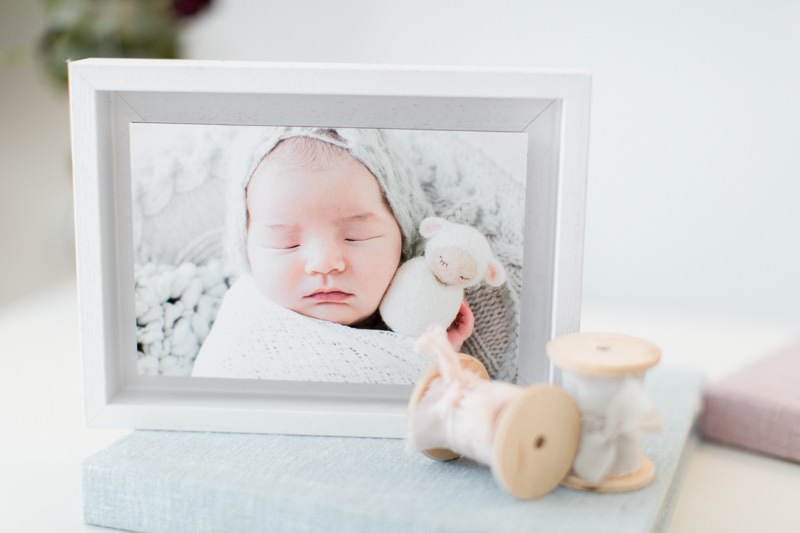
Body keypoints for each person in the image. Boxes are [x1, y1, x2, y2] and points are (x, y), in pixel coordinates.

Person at [191, 128, 473, 382]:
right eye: (287, 243)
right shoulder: (239, 333)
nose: (324, 264)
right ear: (247, 250)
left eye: (355, 236)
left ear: (403, 236)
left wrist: (436, 357)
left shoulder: (420, 334)